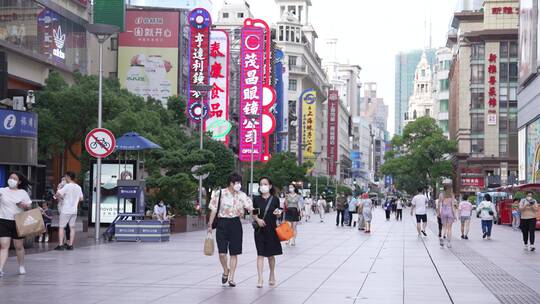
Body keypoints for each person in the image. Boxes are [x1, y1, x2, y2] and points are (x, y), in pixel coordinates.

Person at [207, 173, 254, 287]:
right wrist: (210, 224)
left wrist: (258, 215)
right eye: (236, 183)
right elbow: (213, 209)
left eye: (239, 183)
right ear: (230, 183)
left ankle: (231, 278)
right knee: (222, 253)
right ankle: (225, 270)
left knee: (234, 252)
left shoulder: (242, 195)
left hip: (235, 224)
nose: (238, 185)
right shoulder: (220, 193)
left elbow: (250, 207)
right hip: (222, 223)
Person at [0, 172, 32, 276]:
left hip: (18, 222)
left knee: (18, 246)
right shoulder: (2, 191)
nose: (11, 180)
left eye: (14, 178)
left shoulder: (23, 193)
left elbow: (29, 207)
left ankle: (21, 265)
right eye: (10, 177)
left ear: (19, 182)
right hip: (4, 220)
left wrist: (24, 205)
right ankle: (0, 268)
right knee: (4, 245)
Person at [252, 177, 283, 288]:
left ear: (270, 186)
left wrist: (278, 213)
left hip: (271, 230)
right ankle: (260, 278)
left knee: (270, 255)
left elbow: (279, 212)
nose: (263, 186)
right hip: (259, 230)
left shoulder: (275, 199)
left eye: (265, 184)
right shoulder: (256, 199)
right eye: (261, 184)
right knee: (260, 254)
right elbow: (254, 212)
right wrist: (257, 220)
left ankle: (272, 274)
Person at [54, 172, 83, 251]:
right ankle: (70, 245)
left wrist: (60, 191)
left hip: (66, 210)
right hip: (74, 210)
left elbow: (57, 194)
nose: (65, 179)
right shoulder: (78, 187)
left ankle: (60, 245)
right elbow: (81, 198)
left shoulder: (67, 186)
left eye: (66, 177)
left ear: (68, 177)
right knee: (72, 227)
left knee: (61, 227)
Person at [437, 179, 458, 248]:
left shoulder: (441, 194)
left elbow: (439, 204)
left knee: (444, 227)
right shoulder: (452, 195)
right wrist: (454, 215)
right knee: (449, 228)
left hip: (443, 211)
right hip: (450, 211)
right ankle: (448, 243)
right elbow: (453, 206)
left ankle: (442, 237)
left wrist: (438, 213)